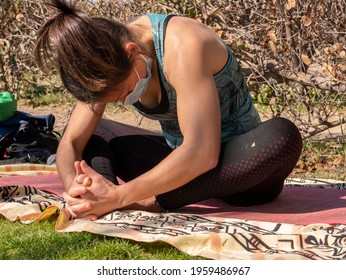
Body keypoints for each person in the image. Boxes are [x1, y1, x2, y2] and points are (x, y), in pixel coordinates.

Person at [34, 0, 302, 220]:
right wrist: (77, 191)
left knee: (282, 136)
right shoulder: (103, 63)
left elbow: (203, 153)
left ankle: (128, 201)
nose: (124, 101)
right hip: (180, 173)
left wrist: (122, 195)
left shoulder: (184, 45)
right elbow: (71, 143)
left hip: (237, 173)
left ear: (132, 51)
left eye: (125, 93)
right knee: (97, 133)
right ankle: (100, 205)